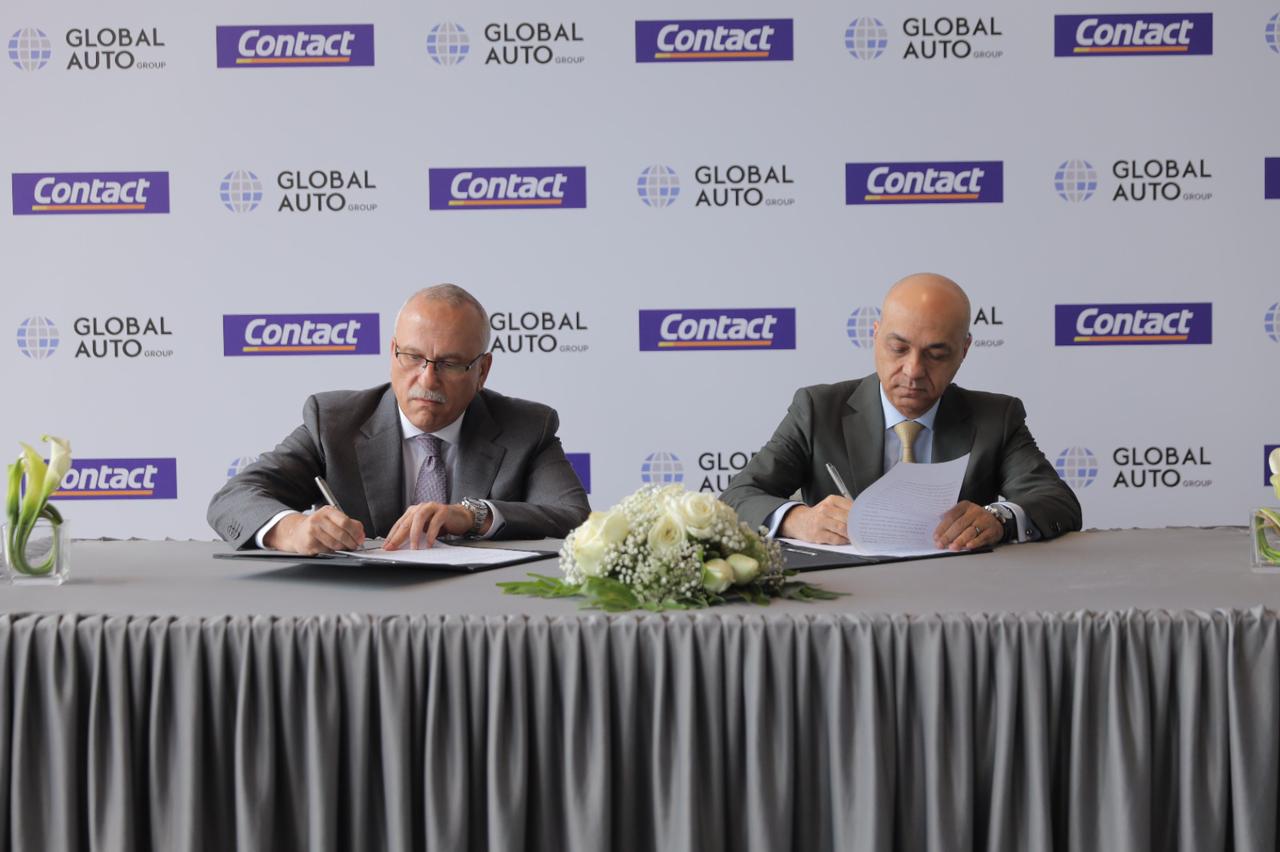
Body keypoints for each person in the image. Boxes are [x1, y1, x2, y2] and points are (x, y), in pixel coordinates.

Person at [208, 284, 590, 554]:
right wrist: (292, 530)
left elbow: (575, 519)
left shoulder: (527, 427)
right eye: (412, 357)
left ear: (482, 371)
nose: (427, 379)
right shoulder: (334, 422)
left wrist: (472, 516)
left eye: (450, 363)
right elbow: (233, 498)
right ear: (392, 352)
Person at [721, 273, 1081, 550]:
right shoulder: (817, 410)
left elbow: (1057, 502)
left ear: (964, 350)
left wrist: (999, 518)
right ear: (875, 335)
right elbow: (738, 497)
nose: (913, 371)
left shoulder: (996, 418)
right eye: (898, 348)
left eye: (936, 355)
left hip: (960, 598)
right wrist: (799, 519)